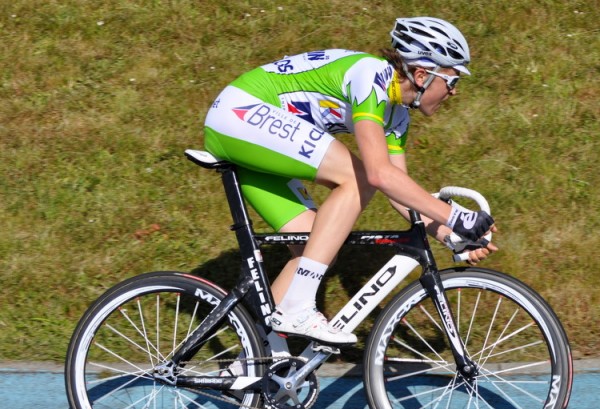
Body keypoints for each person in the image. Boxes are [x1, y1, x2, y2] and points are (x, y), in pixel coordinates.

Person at [203, 16, 498, 347]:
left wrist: (450, 234)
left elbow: (396, 187)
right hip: (241, 113)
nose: (454, 93)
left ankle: (260, 362)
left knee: (313, 245)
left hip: (251, 132)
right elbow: (377, 174)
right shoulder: (371, 76)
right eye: (452, 81)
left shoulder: (396, 115)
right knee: (358, 177)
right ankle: (298, 306)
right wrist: (458, 216)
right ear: (421, 74)